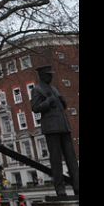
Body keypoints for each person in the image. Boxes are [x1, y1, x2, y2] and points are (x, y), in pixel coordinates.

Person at [31, 64, 79, 196]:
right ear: (42, 75)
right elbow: (35, 108)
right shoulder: (37, 89)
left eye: (51, 74)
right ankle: (60, 189)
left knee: (72, 158)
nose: (51, 76)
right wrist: (49, 101)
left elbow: (61, 107)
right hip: (51, 128)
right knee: (56, 159)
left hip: (64, 126)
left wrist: (63, 101)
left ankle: (77, 186)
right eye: (48, 74)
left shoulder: (54, 89)